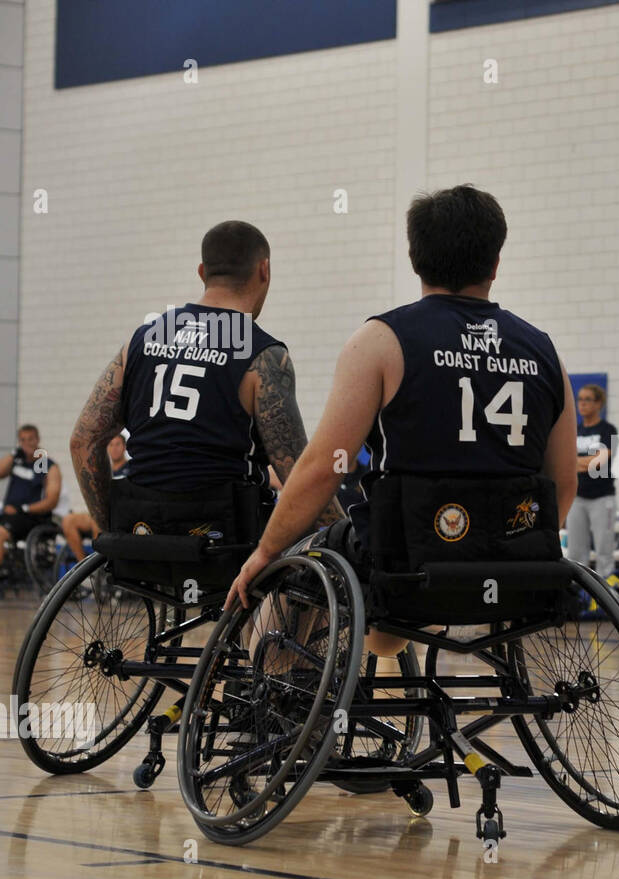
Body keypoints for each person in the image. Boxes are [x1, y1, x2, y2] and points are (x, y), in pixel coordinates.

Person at [225, 185, 578, 660]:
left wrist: (265, 554)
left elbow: (322, 467)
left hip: (410, 558)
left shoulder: (380, 341)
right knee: (389, 630)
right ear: (495, 263)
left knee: (304, 558)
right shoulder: (544, 351)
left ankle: (267, 698)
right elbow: (564, 482)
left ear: (415, 258)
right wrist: (509, 545)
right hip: (516, 565)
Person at [69, 220, 340, 551]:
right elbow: (298, 474)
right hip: (226, 535)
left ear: (202, 272)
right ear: (264, 270)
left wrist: (110, 526)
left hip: (142, 530)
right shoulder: (263, 354)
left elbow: (83, 441)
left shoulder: (142, 339)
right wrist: (344, 538)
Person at [0, 424, 63, 582]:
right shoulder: (17, 461)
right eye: (23, 440)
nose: (27, 443)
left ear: (37, 440)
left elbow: (52, 501)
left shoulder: (48, 466)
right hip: (9, 515)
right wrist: (13, 454)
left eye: (30, 439)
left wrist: (22, 508)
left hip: (31, 517)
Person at [567, 384, 618, 578]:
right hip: (577, 497)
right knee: (576, 552)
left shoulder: (608, 430)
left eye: (587, 399)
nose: (582, 404)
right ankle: (578, 595)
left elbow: (599, 462)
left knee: (604, 551)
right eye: (579, 399)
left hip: (601, 498)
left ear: (599, 404)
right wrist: (584, 462)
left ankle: (606, 601)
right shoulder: (574, 430)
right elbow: (565, 461)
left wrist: (577, 462)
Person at [58, 434, 129, 565]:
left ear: (124, 447)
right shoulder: (103, 470)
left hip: (120, 514)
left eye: (117, 444)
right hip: (100, 511)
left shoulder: (131, 468)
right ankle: (84, 567)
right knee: (68, 521)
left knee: (98, 523)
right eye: (111, 445)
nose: (114, 448)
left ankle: (101, 567)